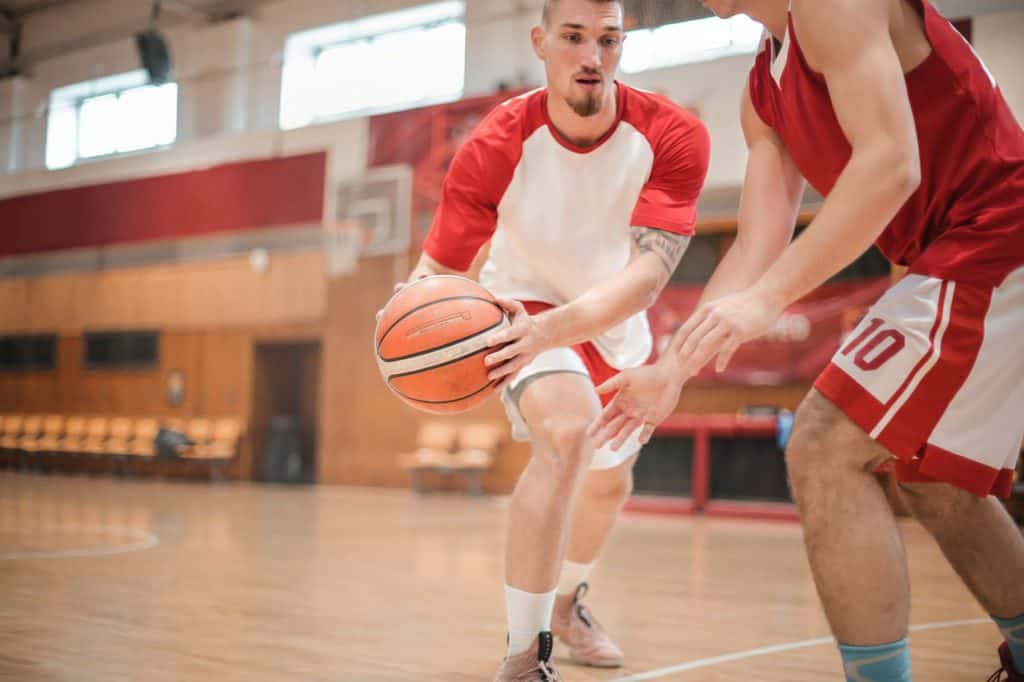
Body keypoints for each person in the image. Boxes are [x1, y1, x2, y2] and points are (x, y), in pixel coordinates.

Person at [589, 1, 1024, 679]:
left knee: (822, 444)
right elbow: (756, 249)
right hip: (962, 250)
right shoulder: (764, 89)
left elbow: (890, 166)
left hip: (997, 234)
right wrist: (672, 369)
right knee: (936, 480)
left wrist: (767, 301)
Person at [382, 0, 709, 677]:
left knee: (608, 486)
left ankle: (566, 603)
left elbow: (650, 274)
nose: (592, 56)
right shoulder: (495, 142)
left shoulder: (674, 134)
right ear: (540, 42)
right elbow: (439, 266)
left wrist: (562, 328)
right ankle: (524, 655)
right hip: (522, 308)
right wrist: (404, 316)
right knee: (569, 434)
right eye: (574, 38)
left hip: (615, 317)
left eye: (609, 40)